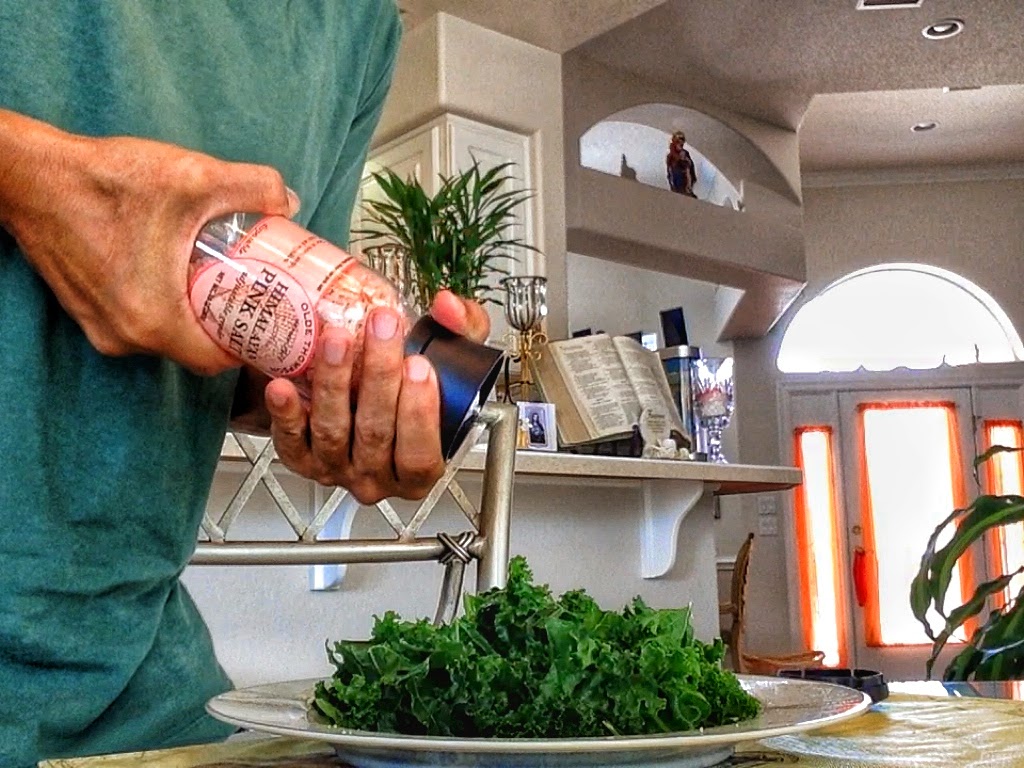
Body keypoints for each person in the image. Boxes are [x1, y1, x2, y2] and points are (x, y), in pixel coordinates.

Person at [0, 3, 490, 766]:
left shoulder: (359, 29)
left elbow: (241, 352)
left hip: (139, 686)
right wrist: (28, 175)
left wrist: (334, 398)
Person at [666, 130, 698, 197]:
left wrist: (686, 160)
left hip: (685, 179)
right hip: (677, 180)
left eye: (682, 143)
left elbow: (690, 167)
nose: (680, 145)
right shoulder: (671, 156)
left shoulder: (685, 153)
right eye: (678, 142)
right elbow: (670, 171)